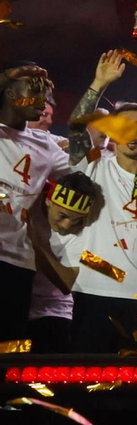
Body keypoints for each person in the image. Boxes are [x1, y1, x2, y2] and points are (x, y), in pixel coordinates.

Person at [37, 80, 137, 354]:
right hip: (93, 294)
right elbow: (77, 129)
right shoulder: (93, 167)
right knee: (88, 377)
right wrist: (99, 83)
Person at [0, 62, 70, 344]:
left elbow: (92, 171)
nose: (41, 103)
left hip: (17, 262)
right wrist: (7, 76)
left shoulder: (47, 146)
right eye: (33, 93)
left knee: (8, 349)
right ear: (9, 94)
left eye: (44, 96)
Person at [24, 173, 105, 347]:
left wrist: (37, 245)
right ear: (49, 200)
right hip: (19, 302)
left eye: (76, 219)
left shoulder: (80, 235)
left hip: (55, 312)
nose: (67, 225)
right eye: (63, 215)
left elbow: (67, 282)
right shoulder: (29, 206)